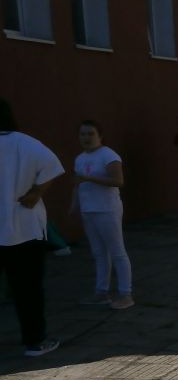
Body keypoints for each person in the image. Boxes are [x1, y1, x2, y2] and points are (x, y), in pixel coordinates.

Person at [0, 98, 63, 357]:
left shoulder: (23, 142)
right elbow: (53, 165)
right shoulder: (26, 143)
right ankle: (35, 341)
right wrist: (37, 191)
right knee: (28, 289)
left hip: (17, 228)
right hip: (25, 229)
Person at [71, 120, 133, 310]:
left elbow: (118, 181)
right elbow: (77, 185)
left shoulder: (108, 155)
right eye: (83, 134)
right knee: (99, 253)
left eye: (90, 133)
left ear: (100, 135)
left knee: (117, 251)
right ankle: (101, 292)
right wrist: (74, 205)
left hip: (107, 209)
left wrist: (90, 178)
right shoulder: (79, 158)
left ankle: (125, 294)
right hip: (88, 209)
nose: (86, 137)